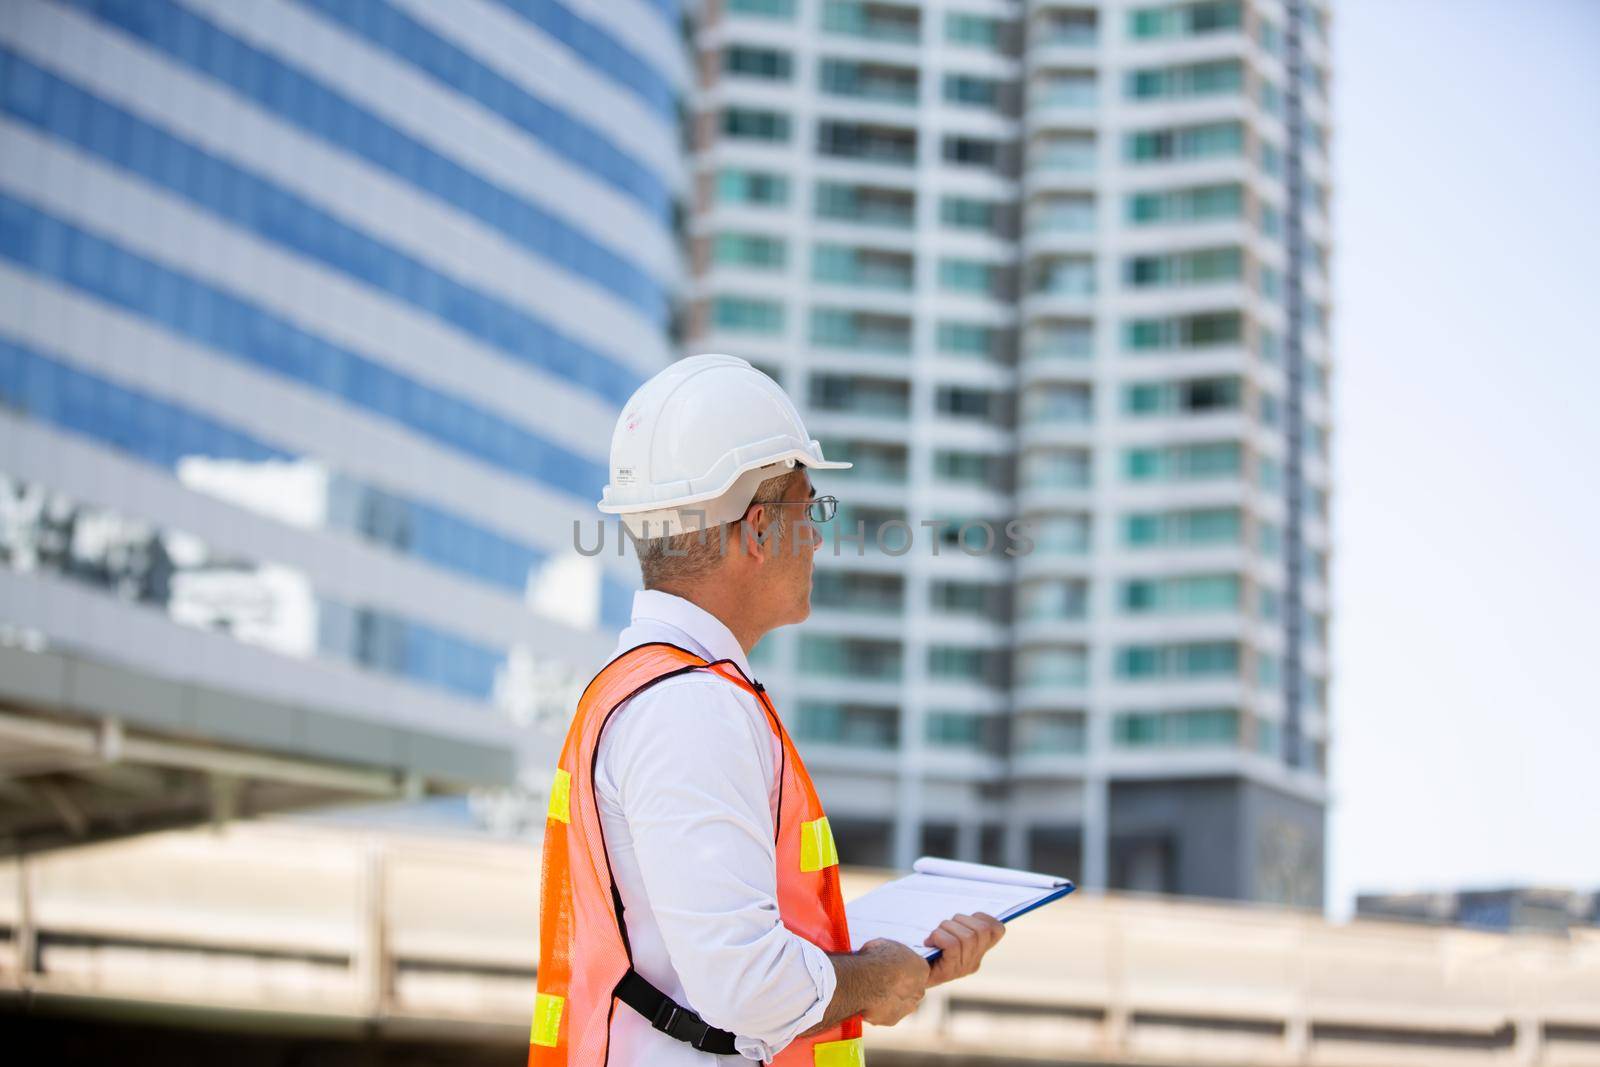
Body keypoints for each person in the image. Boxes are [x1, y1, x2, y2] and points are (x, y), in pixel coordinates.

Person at [530, 355, 1005, 1066]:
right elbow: (746, 986)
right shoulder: (690, 707)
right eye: (809, 507)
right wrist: (880, 976)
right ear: (757, 530)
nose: (817, 536)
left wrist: (902, 961)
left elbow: (708, 959)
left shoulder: (659, 690)